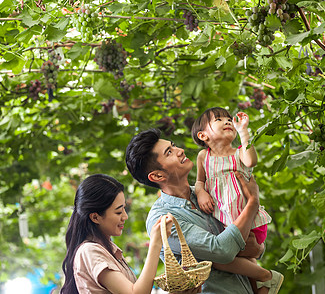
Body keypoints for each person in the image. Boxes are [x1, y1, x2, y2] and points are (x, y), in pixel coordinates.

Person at [126, 128, 283, 294]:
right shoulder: (163, 219)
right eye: (169, 152)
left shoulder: (210, 192)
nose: (180, 151)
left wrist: (257, 248)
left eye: (174, 146)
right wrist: (253, 202)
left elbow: (251, 241)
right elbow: (222, 250)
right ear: (157, 176)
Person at [191, 107, 282, 293]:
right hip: (227, 221)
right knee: (248, 265)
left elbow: (251, 162)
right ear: (203, 135)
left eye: (228, 118)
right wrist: (201, 193)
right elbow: (199, 182)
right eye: (218, 119)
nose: (227, 121)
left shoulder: (239, 152)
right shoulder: (203, 157)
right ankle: (265, 285)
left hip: (250, 220)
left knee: (220, 259)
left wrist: (243, 132)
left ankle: (269, 276)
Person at [60, 174, 183, 294]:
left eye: (124, 208)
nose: (125, 216)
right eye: (118, 212)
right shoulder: (90, 251)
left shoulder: (107, 250)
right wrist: (156, 243)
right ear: (95, 217)